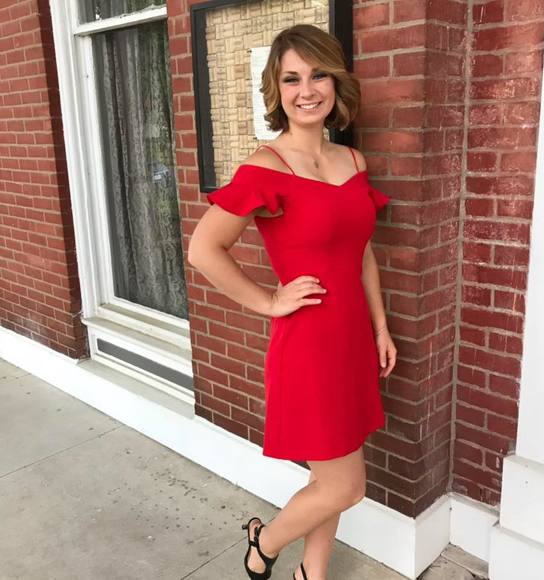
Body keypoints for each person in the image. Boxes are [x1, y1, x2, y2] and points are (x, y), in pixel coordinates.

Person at [188, 23, 397, 580]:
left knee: (329, 473)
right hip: (308, 344)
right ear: (276, 91)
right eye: (291, 78)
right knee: (346, 486)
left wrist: (380, 327)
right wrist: (267, 301)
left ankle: (312, 572)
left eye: (318, 75)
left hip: (352, 338)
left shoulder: (353, 162)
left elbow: (363, 252)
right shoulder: (266, 167)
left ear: (335, 83)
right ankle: (264, 542)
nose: (307, 90)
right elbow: (204, 249)